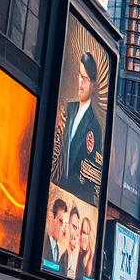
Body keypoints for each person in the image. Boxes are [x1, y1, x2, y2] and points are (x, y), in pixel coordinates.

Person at [57, 51, 104, 198]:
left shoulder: (95, 126)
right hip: (54, 186)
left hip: (76, 196)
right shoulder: (67, 108)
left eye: (85, 78)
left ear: (94, 85)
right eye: (79, 76)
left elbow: (91, 171)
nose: (81, 83)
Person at [41, 198, 67, 273]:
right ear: (51, 218)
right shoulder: (42, 242)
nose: (63, 229)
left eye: (65, 224)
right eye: (61, 221)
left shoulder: (61, 251)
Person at [76, 216, 95, 280]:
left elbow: (88, 278)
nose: (85, 237)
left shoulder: (92, 256)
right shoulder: (78, 253)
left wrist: (91, 255)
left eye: (87, 233)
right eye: (83, 232)